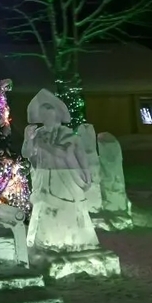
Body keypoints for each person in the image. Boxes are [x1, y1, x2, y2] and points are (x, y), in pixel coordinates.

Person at [23, 89, 99, 252]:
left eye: (48, 115)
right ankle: (44, 243)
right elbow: (27, 154)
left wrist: (44, 145)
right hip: (44, 178)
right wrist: (28, 139)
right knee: (45, 211)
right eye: (43, 115)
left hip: (64, 179)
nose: (45, 119)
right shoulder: (38, 134)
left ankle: (71, 243)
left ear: (56, 115)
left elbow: (64, 153)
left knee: (66, 209)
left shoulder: (67, 134)